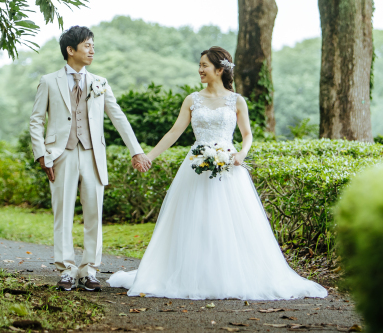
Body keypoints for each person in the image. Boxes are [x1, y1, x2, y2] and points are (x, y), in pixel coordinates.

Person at [107, 46, 328, 300]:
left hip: (229, 167)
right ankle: (191, 274)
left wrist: (242, 153)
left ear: (220, 70)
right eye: (199, 65)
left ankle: (229, 275)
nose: (200, 70)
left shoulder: (237, 101)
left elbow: (247, 134)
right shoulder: (192, 100)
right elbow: (174, 132)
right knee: (194, 222)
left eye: (204, 65)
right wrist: (149, 156)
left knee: (230, 224)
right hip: (195, 167)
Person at [29, 26, 152, 291]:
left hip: (93, 155)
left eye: (92, 45)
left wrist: (136, 149)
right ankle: (65, 269)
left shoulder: (100, 82)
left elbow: (118, 116)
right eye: (86, 45)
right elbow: (36, 120)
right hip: (60, 155)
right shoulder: (49, 81)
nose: (92, 50)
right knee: (63, 213)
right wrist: (41, 154)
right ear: (70, 50)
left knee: (94, 213)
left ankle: (90, 270)